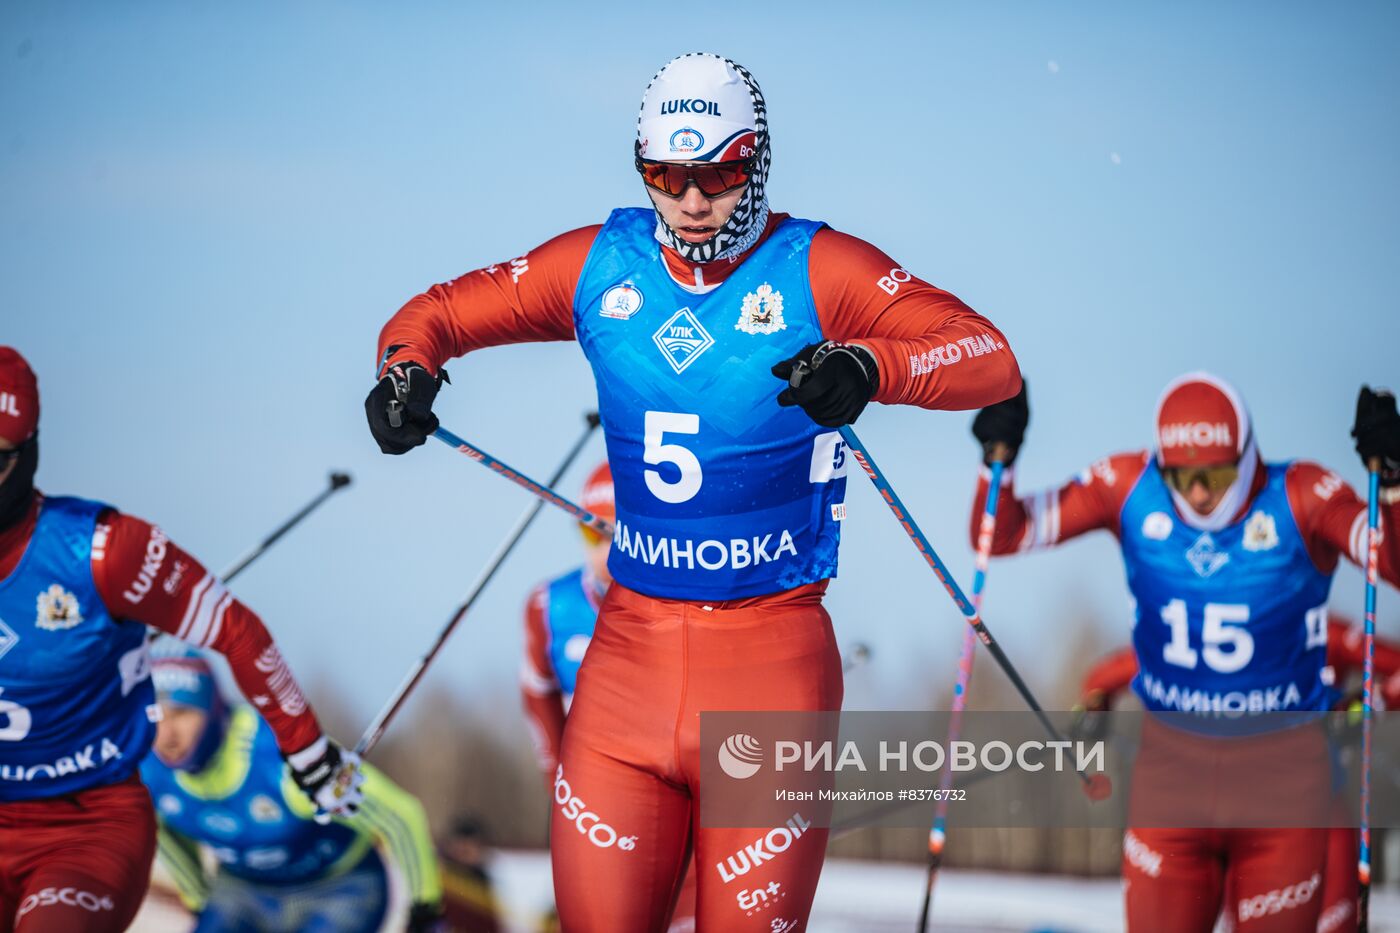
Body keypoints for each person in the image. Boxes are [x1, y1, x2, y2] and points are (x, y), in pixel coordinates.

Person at [364, 52, 1021, 931]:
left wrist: (872, 365)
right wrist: (404, 370)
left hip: (769, 663)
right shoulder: (602, 263)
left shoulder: (816, 266)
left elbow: (986, 354)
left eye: (717, 172)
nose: (693, 199)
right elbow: (437, 312)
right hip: (625, 668)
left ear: (757, 161)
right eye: (668, 175)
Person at [968, 374, 1400, 931]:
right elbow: (998, 537)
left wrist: (1390, 482)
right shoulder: (1129, 485)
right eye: (1181, 475)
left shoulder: (1300, 494)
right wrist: (996, 459)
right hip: (1171, 790)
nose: (1198, 492)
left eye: (1216, 475)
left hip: (1284, 794)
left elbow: (1391, 563)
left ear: (1247, 459)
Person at [0, 346, 363, 933]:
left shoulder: (102, 551)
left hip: (83, 826)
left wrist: (309, 754)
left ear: (30, 452)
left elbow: (237, 631)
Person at [1072, 617, 1400, 933]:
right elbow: (1104, 677)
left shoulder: (1328, 633)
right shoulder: (1206, 635)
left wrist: (1363, 707)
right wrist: (1095, 705)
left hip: (1318, 813)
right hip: (1231, 823)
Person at [140, 643, 444, 932]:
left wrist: (425, 912)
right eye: (156, 714)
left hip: (340, 889)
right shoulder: (147, 770)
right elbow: (162, 830)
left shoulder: (281, 757)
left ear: (214, 708)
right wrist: (199, 901)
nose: (167, 734)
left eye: (182, 713)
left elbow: (401, 816)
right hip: (244, 892)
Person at [519, 463, 696, 932]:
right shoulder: (550, 605)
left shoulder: (684, 601)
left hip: (683, 796)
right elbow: (537, 694)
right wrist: (559, 780)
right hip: (600, 793)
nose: (603, 548)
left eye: (616, 532)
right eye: (590, 531)